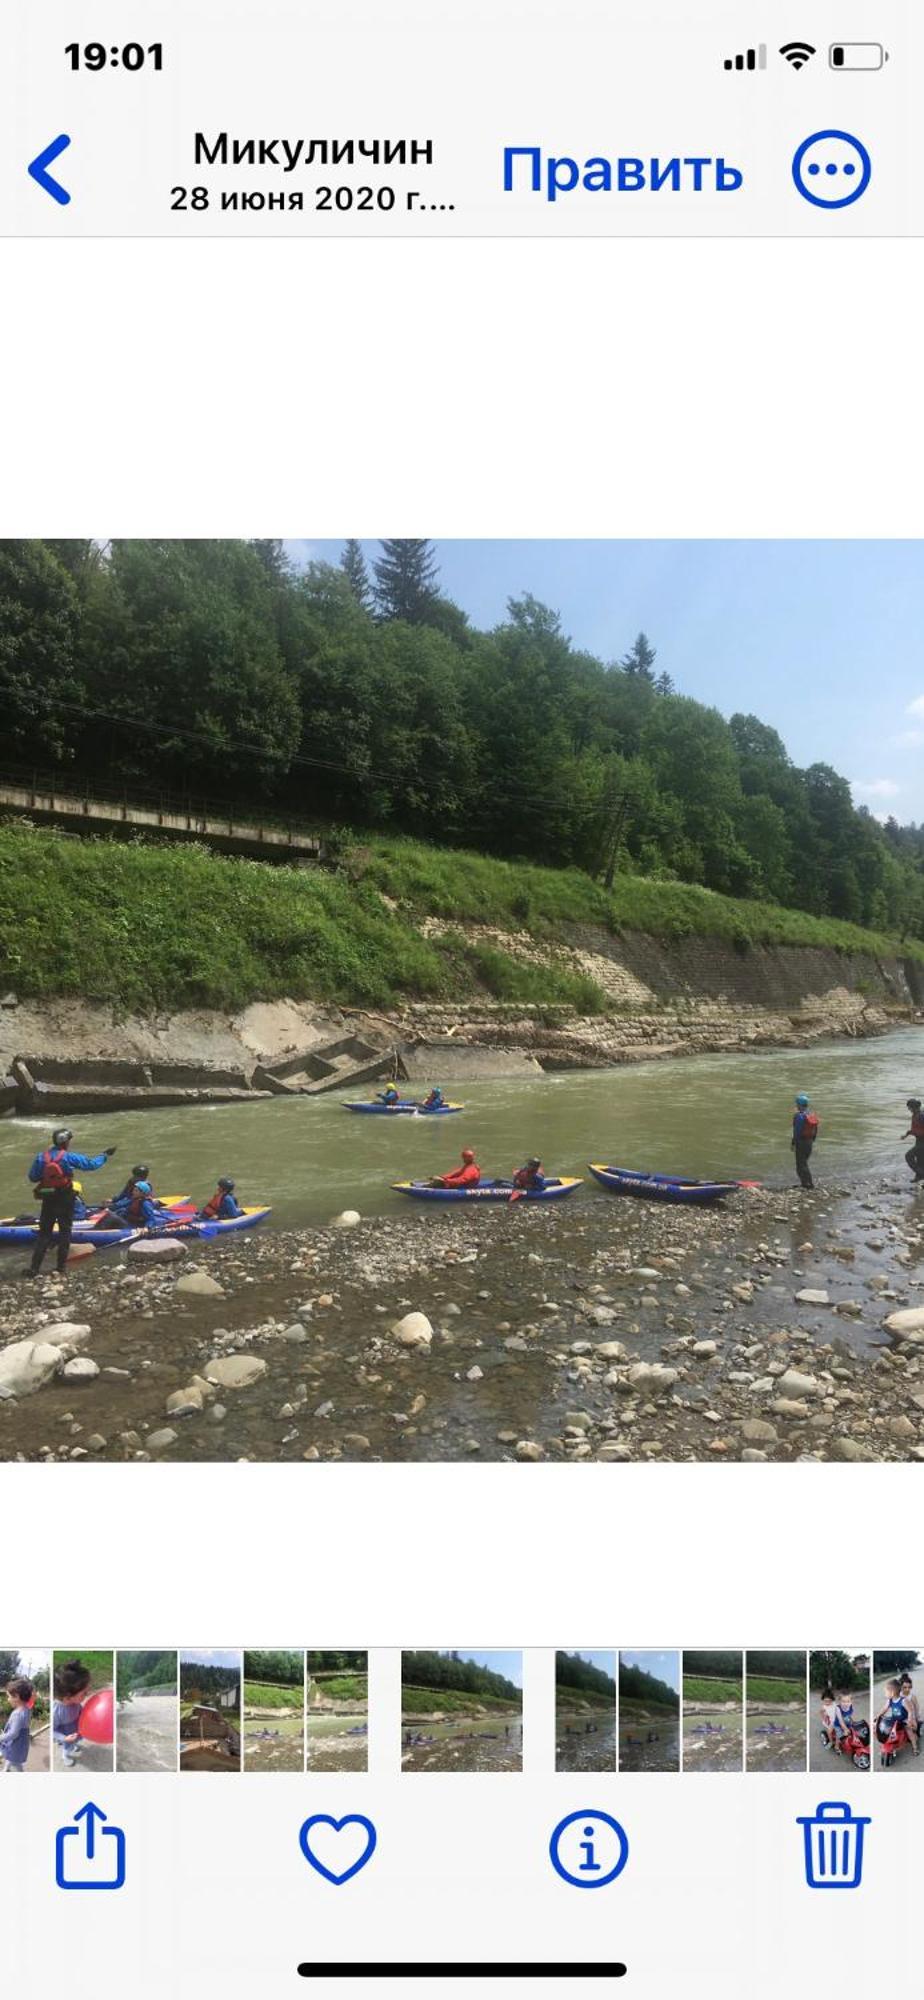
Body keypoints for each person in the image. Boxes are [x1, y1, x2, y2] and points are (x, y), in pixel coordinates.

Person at [26, 1129, 117, 1277]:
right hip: (66, 1198)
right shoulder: (69, 1157)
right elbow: (91, 1165)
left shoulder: (41, 1157)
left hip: (48, 1199)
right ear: (66, 1142)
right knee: (65, 1232)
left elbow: (33, 1177)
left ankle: (34, 1268)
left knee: (44, 1234)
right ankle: (60, 1268)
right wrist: (104, 1155)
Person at [53, 1658, 91, 1769]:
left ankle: (73, 1745)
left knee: (75, 1740)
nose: (86, 1695)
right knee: (67, 1746)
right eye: (84, 1693)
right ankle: (65, 1756)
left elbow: (80, 1709)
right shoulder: (57, 1711)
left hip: (75, 1728)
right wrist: (64, 1738)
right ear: (67, 1697)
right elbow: (53, 1731)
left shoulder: (74, 1701)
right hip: (66, 1734)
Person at [98, 1180, 164, 1231]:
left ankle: (97, 1232)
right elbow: (120, 1205)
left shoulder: (145, 1203)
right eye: (134, 1190)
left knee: (112, 1217)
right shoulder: (134, 1199)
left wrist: (147, 1228)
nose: (133, 1192)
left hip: (134, 1226)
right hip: (128, 1221)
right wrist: (109, 1207)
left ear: (142, 1193)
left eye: (136, 1191)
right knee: (114, 1213)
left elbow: (151, 1219)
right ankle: (95, 1229)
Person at [0, 1678, 34, 1772]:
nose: (8, 1699)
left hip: (15, 1744)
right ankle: (6, 1768)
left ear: (17, 1697)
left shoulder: (17, 1714)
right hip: (21, 1743)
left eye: (9, 1696)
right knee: (12, 1759)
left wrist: (1, 1737)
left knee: (15, 1762)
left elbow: (13, 1734)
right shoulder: (27, 1708)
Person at [791, 1093, 819, 1189]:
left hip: (801, 1142)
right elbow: (815, 1130)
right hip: (809, 1141)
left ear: (799, 1105)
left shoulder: (799, 1116)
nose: (796, 1105)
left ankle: (808, 1184)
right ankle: (806, 1183)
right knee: (804, 1163)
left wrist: (793, 1143)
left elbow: (797, 1131)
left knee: (800, 1165)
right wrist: (812, 1140)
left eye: (797, 1104)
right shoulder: (811, 1115)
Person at [874, 1678, 909, 1745]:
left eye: (886, 1692)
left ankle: (915, 1746)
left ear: (892, 1693)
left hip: (904, 1720)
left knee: (909, 1731)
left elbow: (910, 1711)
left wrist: (910, 1719)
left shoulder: (903, 1701)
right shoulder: (890, 1700)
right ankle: (889, 1742)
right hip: (895, 1720)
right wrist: (878, 1716)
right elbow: (884, 1709)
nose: (885, 1694)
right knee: (885, 1728)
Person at [903, 1101, 924, 1182]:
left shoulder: (921, 1116)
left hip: (923, 1141)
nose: (909, 1109)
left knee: (908, 1156)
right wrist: (906, 1135)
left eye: (909, 1107)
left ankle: (921, 1174)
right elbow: (915, 1129)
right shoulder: (916, 1115)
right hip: (919, 1140)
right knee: (920, 1159)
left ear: (914, 1107)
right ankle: (919, 1177)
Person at [900, 1673, 921, 1755]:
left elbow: (916, 1707)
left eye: (909, 1687)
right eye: (905, 1687)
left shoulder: (912, 1696)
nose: (907, 1689)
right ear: (900, 1687)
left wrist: (916, 1718)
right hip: (900, 1717)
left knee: (910, 1733)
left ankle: (915, 1747)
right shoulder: (898, 1695)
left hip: (910, 1718)